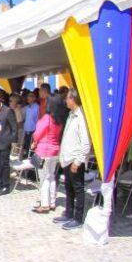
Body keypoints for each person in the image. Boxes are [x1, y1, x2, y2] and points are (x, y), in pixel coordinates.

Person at [53, 89, 91, 230]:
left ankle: (78, 218)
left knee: (78, 189)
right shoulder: (71, 115)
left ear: (73, 99)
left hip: (75, 160)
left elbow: (86, 142)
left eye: (68, 98)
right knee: (68, 188)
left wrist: (78, 160)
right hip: (67, 158)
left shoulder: (81, 117)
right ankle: (69, 213)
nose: (65, 100)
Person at [30, 111, 62, 214]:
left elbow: (37, 133)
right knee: (52, 176)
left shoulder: (47, 117)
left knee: (44, 178)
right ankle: (52, 202)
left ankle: (44, 204)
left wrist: (35, 141)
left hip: (44, 150)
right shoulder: (59, 117)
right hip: (55, 150)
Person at [21, 91, 40, 159]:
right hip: (26, 132)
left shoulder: (37, 107)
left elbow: (37, 120)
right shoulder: (27, 107)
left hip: (33, 132)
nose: (28, 98)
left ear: (34, 98)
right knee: (26, 148)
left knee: (31, 150)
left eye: (30, 96)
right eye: (28, 96)